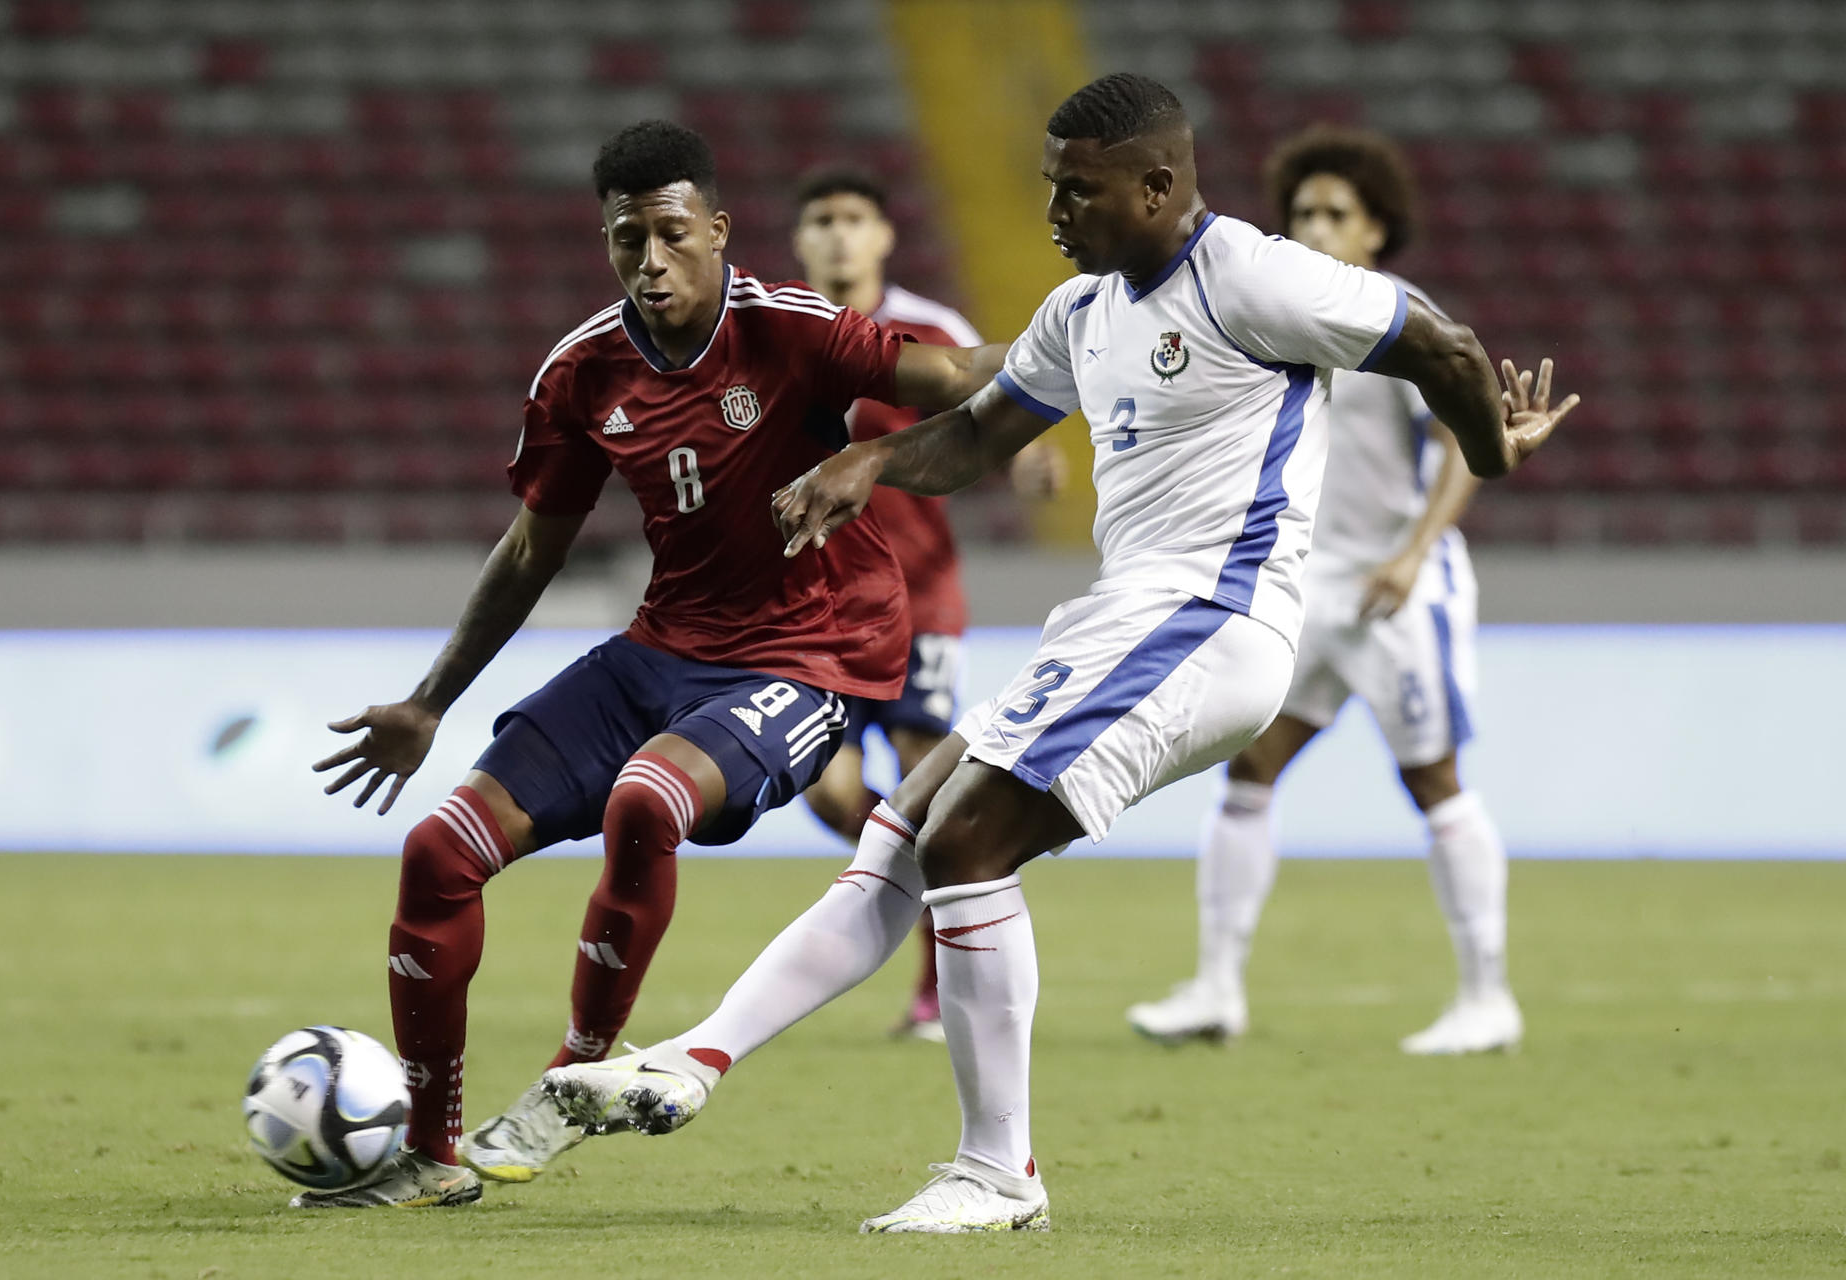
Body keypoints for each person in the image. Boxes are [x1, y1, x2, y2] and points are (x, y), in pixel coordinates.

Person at [542, 74, 1575, 1233]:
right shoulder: (1084, 312)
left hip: (1216, 616)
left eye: (1078, 192)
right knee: (905, 828)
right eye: (1049, 188)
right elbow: (979, 433)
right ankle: (697, 1056)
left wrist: (1489, 448)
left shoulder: (1251, 274)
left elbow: (1434, 339)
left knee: (972, 840)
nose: (1055, 214)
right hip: (1119, 617)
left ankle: (998, 1171)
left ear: (1160, 183)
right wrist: (870, 463)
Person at [296, 120, 1007, 1208]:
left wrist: (1088, 341)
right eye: (627, 239)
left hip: (817, 649)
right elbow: (534, 545)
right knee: (438, 849)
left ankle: (573, 1075)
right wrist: (431, 701)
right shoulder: (582, 372)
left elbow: (956, 373)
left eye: (673, 234)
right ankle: (430, 1155)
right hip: (664, 649)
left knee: (646, 798)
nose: (650, 260)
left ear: (718, 232)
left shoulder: (789, 328)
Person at [1127, 126, 1520, 1055]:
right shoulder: (1279, 311)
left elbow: (1470, 441)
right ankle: (1217, 988)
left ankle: (1487, 996)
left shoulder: (1399, 314)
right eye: (1301, 210)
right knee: (1250, 770)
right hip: (1307, 589)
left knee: (1434, 781)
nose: (1311, 226)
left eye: (1334, 212)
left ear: (1377, 230)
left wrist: (1417, 552)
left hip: (1397, 586)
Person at [790, 169, 1065, 1041]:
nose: (838, 236)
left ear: (882, 238)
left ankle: (933, 990)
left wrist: (1025, 468)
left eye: (854, 220)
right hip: (813, 612)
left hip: (917, 605)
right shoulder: (776, 329)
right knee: (830, 793)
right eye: (822, 222)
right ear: (801, 241)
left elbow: (1001, 410)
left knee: (926, 793)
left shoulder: (932, 331)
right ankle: (910, 888)